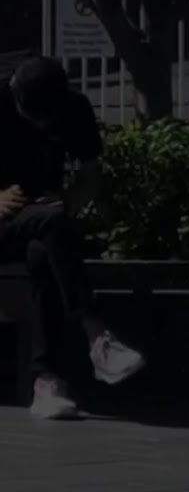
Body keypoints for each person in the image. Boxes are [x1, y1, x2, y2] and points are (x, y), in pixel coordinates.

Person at [0, 57, 145, 420]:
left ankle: (46, 381)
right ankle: (96, 334)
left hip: (43, 225)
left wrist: (69, 200)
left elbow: (90, 176)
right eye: (32, 118)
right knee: (51, 226)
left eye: (47, 120)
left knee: (42, 252)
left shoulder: (74, 108)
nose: (41, 125)